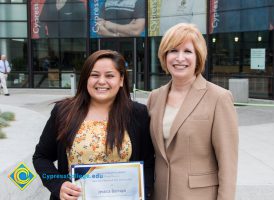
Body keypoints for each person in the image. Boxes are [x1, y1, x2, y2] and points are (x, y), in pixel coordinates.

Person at [33, 50, 154, 200]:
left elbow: (148, 162)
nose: (101, 81)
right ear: (85, 79)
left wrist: (144, 194)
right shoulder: (64, 112)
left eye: (110, 75)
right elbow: (41, 157)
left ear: (121, 80)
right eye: (95, 75)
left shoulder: (138, 114)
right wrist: (58, 185)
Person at [147, 23, 239, 200]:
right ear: (164, 56)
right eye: (173, 50)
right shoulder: (154, 97)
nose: (179, 58)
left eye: (188, 51)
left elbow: (228, 163)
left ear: (198, 57)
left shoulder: (219, 98)